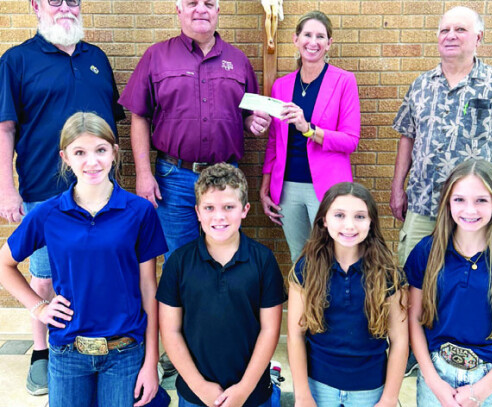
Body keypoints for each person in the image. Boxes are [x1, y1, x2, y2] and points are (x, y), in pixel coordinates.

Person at [0, 0, 125, 395]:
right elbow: (5, 129)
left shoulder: (97, 58)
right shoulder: (17, 60)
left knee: (99, 266)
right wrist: (6, 187)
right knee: (43, 274)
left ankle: (101, 344)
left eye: (73, 0)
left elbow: (111, 129)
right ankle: (43, 352)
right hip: (43, 188)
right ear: (37, 6)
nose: (66, 7)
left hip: (101, 194)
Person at [0, 112, 168, 407]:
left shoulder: (140, 212)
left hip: (124, 352)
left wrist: (151, 360)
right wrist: (38, 307)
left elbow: (148, 290)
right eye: (80, 152)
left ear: (114, 153)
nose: (92, 162)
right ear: (65, 157)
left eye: (100, 150)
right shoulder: (49, 213)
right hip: (68, 353)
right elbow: (4, 264)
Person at [119, 0, 270, 260]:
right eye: (192, 3)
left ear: (217, 12)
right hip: (174, 178)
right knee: (178, 260)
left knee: (224, 257)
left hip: (226, 178)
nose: (201, 9)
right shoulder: (156, 56)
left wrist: (252, 122)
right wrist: (143, 174)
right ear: (179, 10)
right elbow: (140, 116)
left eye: (209, 4)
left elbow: (246, 114)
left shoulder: (238, 61)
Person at [391, 6, 492, 268]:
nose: (450, 35)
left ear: (478, 37)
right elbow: (407, 137)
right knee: (413, 277)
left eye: (460, 29)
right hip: (423, 204)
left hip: (474, 209)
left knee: (472, 279)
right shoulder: (421, 85)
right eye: (445, 30)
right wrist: (398, 188)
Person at [405, 159, 492, 407]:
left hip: (490, 380)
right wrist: (433, 382)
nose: (470, 210)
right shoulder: (426, 252)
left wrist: (481, 390)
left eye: (481, 200)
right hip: (437, 376)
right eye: (459, 200)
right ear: (447, 201)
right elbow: (414, 319)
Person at [157, 163, 285, 407]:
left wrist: (243, 390)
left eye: (229, 207)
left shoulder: (263, 260)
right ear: (197, 212)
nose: (219, 216)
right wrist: (199, 386)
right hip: (196, 395)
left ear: (245, 209)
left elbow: (270, 330)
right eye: (209, 208)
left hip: (252, 393)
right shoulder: (179, 262)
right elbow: (170, 331)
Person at [288, 182, 408, 407]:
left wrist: (390, 399)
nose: (350, 225)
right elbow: (295, 335)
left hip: (370, 388)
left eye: (360, 216)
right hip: (318, 386)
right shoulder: (305, 269)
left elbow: (400, 341)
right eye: (339, 215)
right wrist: (302, 395)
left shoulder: (389, 274)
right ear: (324, 220)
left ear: (371, 222)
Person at [261, 10, 360, 262]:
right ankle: (303, 304)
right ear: (296, 39)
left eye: (320, 36)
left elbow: (350, 140)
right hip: (287, 188)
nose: (312, 42)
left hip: (328, 188)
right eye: (307, 35)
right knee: (300, 258)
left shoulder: (344, 81)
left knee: (333, 257)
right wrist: (265, 188)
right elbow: (274, 142)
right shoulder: (282, 85)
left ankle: (330, 304)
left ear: (329, 43)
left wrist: (309, 129)